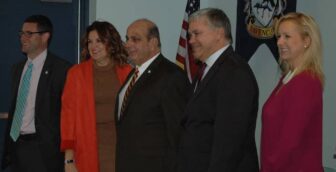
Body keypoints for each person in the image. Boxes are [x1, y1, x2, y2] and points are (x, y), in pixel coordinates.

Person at [177, 8, 259, 172]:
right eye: (190, 35)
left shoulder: (234, 73)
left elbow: (229, 141)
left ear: (219, 33)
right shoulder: (207, 70)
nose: (191, 40)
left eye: (197, 33)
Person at [115, 19, 187, 172]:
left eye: (136, 39)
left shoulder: (171, 76)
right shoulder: (133, 74)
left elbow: (178, 134)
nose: (128, 44)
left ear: (153, 43)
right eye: (127, 39)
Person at [1, 15, 72, 172]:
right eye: (21, 33)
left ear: (45, 36)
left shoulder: (62, 69)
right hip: (16, 147)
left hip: (43, 151)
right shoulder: (17, 69)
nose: (23, 38)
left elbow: (70, 114)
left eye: (29, 33)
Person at [60, 21, 132, 172]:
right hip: (87, 149)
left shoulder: (128, 71)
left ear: (111, 43)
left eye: (99, 41)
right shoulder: (76, 74)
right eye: (90, 42)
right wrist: (69, 159)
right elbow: (68, 117)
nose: (93, 46)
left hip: (122, 149)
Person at [260, 12, 324, 172]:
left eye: (287, 36)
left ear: (306, 41)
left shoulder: (306, 82)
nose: (279, 42)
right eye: (279, 36)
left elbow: (289, 143)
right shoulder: (288, 78)